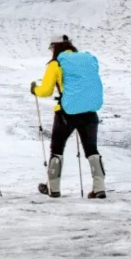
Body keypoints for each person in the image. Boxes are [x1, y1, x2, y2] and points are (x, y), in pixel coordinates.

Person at [31, 36, 106, 199]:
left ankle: (54, 188)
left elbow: (46, 90)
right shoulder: (88, 59)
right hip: (90, 112)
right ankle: (99, 188)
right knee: (91, 149)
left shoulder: (56, 63)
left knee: (57, 148)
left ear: (55, 47)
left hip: (67, 113)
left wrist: (34, 89)